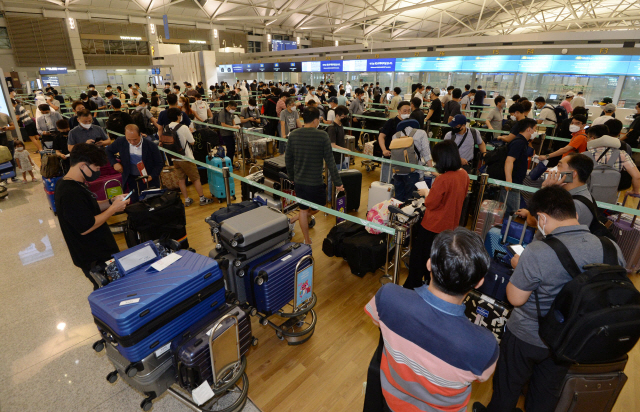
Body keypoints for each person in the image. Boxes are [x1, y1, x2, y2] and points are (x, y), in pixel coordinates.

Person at [475, 186, 625, 412]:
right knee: (546, 393)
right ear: (574, 212)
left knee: (508, 387)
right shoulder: (610, 247)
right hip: (571, 338)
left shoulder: (539, 251)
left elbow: (515, 298)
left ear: (542, 218)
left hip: (528, 335)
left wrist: (519, 267)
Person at [365, 227, 497, 411]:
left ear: (429, 264)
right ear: (479, 282)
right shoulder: (485, 346)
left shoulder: (388, 297)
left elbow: (376, 320)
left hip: (391, 404)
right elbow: (483, 377)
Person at [54, 143, 129, 290]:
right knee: (111, 292)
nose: (98, 171)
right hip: (93, 257)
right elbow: (85, 227)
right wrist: (113, 209)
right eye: (96, 168)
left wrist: (110, 202)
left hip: (101, 250)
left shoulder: (75, 183)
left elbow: (89, 208)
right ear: (83, 166)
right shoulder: (69, 192)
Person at [405, 140, 470, 289]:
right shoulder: (464, 175)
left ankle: (411, 289)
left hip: (432, 226)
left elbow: (430, 203)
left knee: (418, 261)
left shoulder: (443, 179)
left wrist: (427, 193)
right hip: (450, 227)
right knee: (437, 262)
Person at [285, 107, 343, 245]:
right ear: (316, 120)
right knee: (320, 206)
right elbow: (330, 161)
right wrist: (338, 182)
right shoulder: (322, 136)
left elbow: (288, 159)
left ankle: (306, 240)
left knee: (303, 210)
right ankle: (297, 222)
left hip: (299, 181)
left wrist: (292, 177)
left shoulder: (293, 135)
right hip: (315, 182)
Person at [162, 108, 214, 206]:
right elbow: (192, 142)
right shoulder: (183, 127)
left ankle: (186, 200)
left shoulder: (167, 127)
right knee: (195, 178)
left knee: (181, 179)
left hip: (174, 158)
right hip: (186, 158)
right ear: (178, 116)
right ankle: (202, 198)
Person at [106, 125, 163, 203]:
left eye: (135, 139)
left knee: (151, 204)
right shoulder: (121, 141)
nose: (132, 142)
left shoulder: (151, 145)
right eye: (129, 140)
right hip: (131, 180)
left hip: (148, 181)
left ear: (140, 134)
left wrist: (152, 175)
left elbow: (159, 163)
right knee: (134, 204)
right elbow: (108, 151)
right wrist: (114, 163)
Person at [585, 124, 640, 194]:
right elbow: (637, 176)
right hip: (610, 194)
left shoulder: (585, 155)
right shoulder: (622, 154)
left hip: (587, 193)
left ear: (591, 138)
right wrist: (635, 191)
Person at [390, 119, 432, 202]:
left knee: (398, 200)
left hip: (398, 173)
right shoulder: (421, 133)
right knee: (411, 201)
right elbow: (426, 154)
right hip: (414, 173)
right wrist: (432, 169)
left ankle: (397, 214)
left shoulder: (395, 135)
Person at [502, 118, 537, 215]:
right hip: (512, 183)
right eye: (535, 129)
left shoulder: (522, 142)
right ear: (529, 129)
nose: (536, 132)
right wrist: (509, 181)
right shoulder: (519, 142)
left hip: (515, 182)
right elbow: (509, 160)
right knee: (513, 212)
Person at [378, 101, 412, 183]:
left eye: (409, 111)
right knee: (386, 181)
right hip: (390, 156)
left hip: (405, 158)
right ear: (399, 111)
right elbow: (381, 136)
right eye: (404, 111)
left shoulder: (411, 123)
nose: (407, 113)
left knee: (401, 182)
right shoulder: (391, 122)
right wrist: (384, 150)